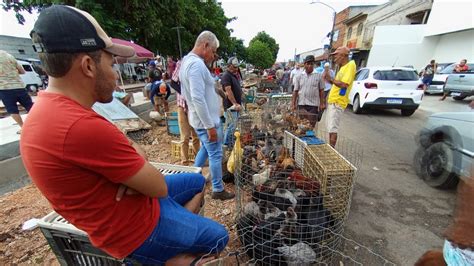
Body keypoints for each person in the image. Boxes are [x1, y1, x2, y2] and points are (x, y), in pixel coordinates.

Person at [21, 5, 228, 265]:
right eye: (111, 62)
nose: (115, 71)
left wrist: (130, 162)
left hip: (133, 207)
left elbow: (134, 154)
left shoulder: (48, 110)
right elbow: (157, 185)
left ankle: (178, 234)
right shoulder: (80, 125)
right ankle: (168, 254)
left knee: (198, 181)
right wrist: (133, 161)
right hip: (135, 230)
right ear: (88, 66)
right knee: (220, 237)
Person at [179, 31, 235, 201]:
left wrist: (216, 89)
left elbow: (202, 88)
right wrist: (210, 126)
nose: (213, 55)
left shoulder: (188, 62)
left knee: (205, 148)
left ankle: (193, 178)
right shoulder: (196, 65)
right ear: (205, 45)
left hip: (201, 119)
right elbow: (197, 97)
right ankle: (218, 189)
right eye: (213, 51)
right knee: (215, 154)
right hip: (206, 121)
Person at [323, 46, 356, 147]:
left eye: (336, 55)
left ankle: (331, 150)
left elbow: (344, 84)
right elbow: (336, 83)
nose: (335, 58)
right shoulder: (342, 68)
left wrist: (331, 79)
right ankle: (330, 148)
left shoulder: (350, 65)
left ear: (343, 55)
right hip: (333, 101)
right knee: (330, 127)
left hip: (338, 102)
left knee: (333, 128)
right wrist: (328, 78)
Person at [173, 60, 201, 165]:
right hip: (182, 105)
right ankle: (185, 162)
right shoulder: (181, 63)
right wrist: (185, 94)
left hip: (193, 107)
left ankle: (198, 160)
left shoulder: (198, 66)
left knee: (195, 136)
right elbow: (173, 82)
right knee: (184, 137)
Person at [0, 50, 34, 133]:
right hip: (19, 86)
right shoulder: (9, 56)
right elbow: (22, 71)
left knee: (12, 109)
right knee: (30, 106)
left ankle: (23, 128)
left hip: (5, 88)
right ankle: (38, 124)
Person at [291, 55, 325, 128]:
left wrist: (322, 103)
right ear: (304, 64)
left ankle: (309, 137)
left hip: (313, 105)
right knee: (301, 125)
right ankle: (302, 138)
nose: (309, 66)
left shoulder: (319, 76)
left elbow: (321, 90)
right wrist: (293, 104)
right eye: (308, 63)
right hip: (301, 104)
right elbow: (295, 91)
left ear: (314, 64)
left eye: (311, 64)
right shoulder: (299, 76)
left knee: (310, 126)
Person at [221, 57, 243, 148]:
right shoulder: (226, 75)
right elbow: (228, 91)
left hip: (235, 107)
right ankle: (226, 146)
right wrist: (235, 103)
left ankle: (229, 144)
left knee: (233, 126)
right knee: (230, 127)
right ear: (229, 66)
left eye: (237, 67)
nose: (236, 69)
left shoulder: (233, 75)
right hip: (231, 107)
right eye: (234, 67)